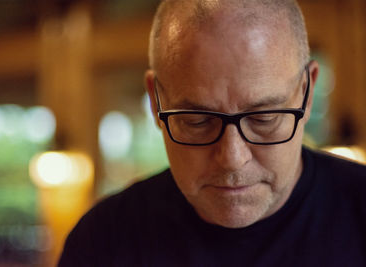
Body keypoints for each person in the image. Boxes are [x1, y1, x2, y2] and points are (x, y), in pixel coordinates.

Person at [59, 0, 366, 266]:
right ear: (156, 102)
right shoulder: (104, 239)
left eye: (264, 117)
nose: (232, 159)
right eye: (197, 120)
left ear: (307, 93)